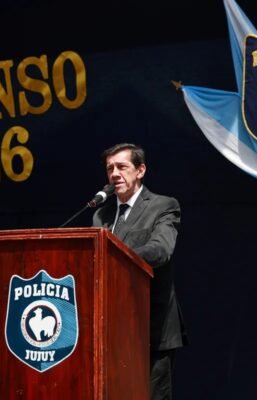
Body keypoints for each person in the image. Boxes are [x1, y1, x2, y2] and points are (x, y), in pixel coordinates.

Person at [92, 143, 187, 400]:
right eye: (110, 168)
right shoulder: (101, 215)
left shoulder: (163, 206)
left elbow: (161, 250)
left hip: (151, 327)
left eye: (122, 167)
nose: (114, 174)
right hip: (112, 329)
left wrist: (116, 257)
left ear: (140, 170)